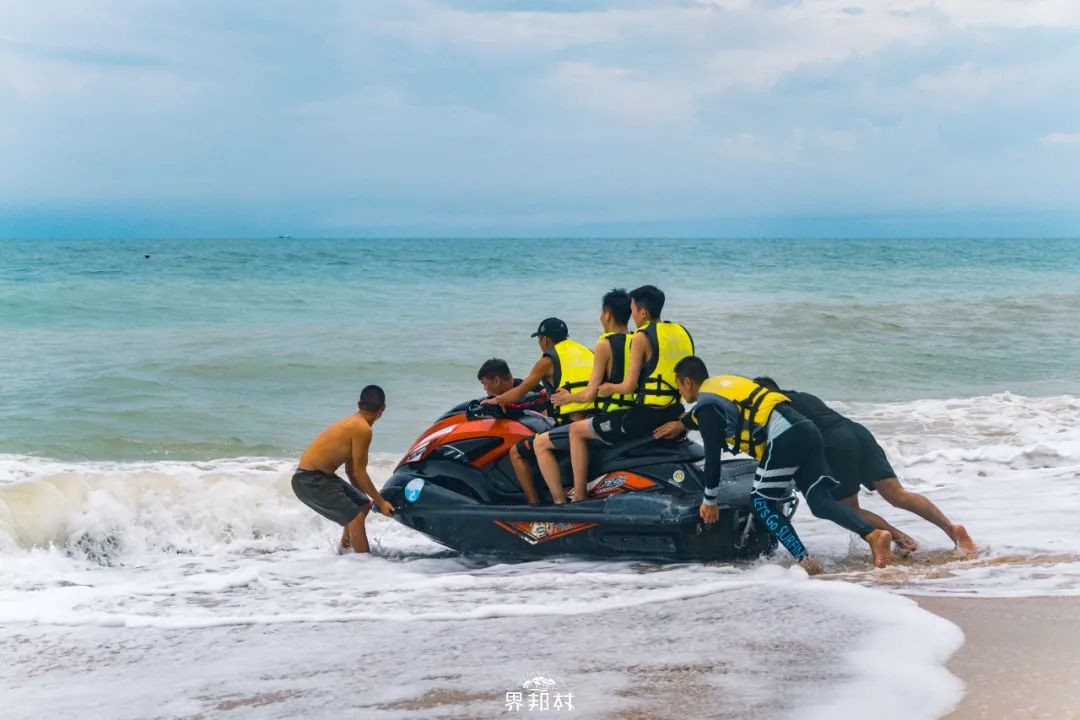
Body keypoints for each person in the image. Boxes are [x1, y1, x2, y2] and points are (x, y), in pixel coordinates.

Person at [659, 357, 893, 569]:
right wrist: (682, 424)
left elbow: (713, 457)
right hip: (807, 429)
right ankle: (873, 535)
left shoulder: (707, 408)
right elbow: (716, 415)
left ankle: (805, 561)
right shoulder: (723, 387)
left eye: (679, 385)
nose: (680, 393)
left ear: (687, 382)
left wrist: (710, 500)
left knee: (760, 503)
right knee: (820, 503)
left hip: (785, 437)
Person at [753, 377, 976, 555]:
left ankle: (900, 539)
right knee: (898, 494)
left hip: (836, 443)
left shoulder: (777, 409)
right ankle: (953, 530)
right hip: (857, 432)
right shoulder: (803, 396)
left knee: (848, 507)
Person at [563, 285, 693, 502]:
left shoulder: (641, 338)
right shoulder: (681, 332)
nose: (631, 315)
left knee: (576, 431)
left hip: (644, 417)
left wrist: (608, 389)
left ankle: (579, 496)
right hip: (674, 411)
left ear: (642, 312)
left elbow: (629, 386)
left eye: (633, 309)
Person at [526, 288, 635, 503]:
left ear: (607, 314)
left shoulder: (605, 343)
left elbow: (589, 394)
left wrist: (567, 398)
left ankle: (573, 498)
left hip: (611, 416)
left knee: (549, 441)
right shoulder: (637, 340)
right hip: (633, 413)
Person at [482, 318, 594, 504]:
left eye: (539, 339)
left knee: (517, 452)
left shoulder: (548, 360)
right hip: (593, 421)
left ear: (547, 340)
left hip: (571, 426)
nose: (540, 344)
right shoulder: (588, 352)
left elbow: (518, 393)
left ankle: (543, 504)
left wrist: (496, 400)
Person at [292, 385, 395, 553]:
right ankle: (365, 567)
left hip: (311, 478)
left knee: (362, 506)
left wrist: (364, 498)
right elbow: (360, 472)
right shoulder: (363, 429)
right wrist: (381, 502)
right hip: (311, 481)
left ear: (358, 404)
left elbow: (352, 470)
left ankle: (344, 553)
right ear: (383, 408)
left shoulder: (353, 423)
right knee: (356, 517)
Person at [476, 358, 550, 414]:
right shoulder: (498, 395)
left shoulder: (532, 393)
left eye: (485, 384)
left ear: (496, 380)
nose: (485, 389)